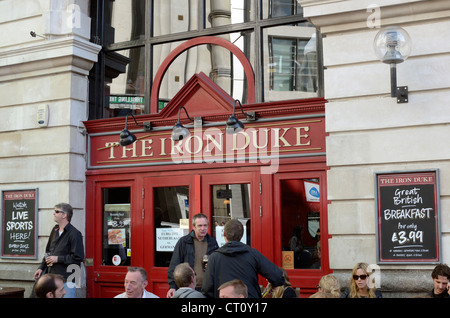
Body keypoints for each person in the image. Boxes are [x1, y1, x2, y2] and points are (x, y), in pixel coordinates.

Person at [202, 219, 285, 298]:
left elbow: (207, 289)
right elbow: (277, 276)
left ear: (224, 234)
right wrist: (274, 284)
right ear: (242, 235)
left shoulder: (214, 257)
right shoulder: (252, 254)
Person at [33, 203, 84, 298]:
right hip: (52, 280)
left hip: (67, 280)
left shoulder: (75, 234)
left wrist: (58, 259)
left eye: (56, 211)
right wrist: (41, 267)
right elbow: (48, 251)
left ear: (64, 215)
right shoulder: (55, 230)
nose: (54, 213)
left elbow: (78, 258)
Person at [167, 213, 219, 298]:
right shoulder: (184, 242)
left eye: (205, 225)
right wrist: (172, 286)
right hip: (188, 288)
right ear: (194, 227)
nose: (203, 228)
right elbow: (174, 265)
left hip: (208, 289)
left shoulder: (213, 243)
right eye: (200, 226)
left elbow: (218, 265)